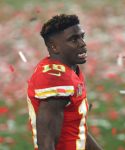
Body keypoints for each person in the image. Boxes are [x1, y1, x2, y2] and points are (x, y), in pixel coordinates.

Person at [27, 14, 103, 150]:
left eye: (82, 37)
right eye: (74, 39)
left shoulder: (70, 71)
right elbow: (46, 143)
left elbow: (76, 127)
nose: (82, 43)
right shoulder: (55, 79)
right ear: (54, 47)